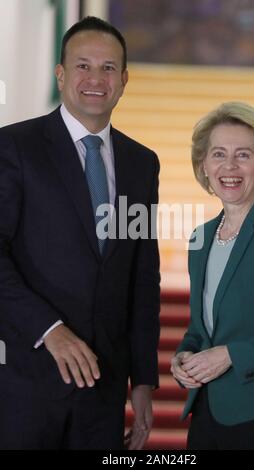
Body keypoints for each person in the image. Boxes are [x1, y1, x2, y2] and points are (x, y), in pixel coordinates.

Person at [0, 16, 160, 450]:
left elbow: (142, 277)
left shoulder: (142, 164)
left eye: (108, 68)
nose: (96, 78)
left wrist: (143, 380)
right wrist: (49, 329)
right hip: (24, 386)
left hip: (103, 394)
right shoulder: (13, 148)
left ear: (124, 80)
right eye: (83, 66)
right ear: (61, 74)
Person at [171, 101, 254, 450]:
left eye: (243, 155)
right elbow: (202, 328)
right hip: (208, 415)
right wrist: (184, 356)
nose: (229, 166)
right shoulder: (200, 238)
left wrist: (231, 355)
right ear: (204, 165)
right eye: (218, 154)